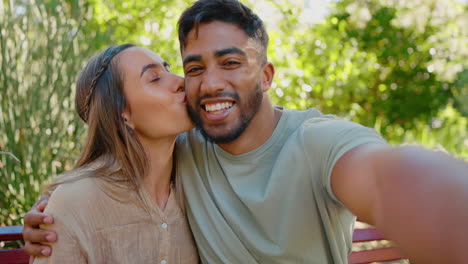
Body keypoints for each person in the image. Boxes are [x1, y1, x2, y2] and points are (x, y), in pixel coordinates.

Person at [23, 0, 468, 263]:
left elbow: (391, 176)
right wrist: (57, 212)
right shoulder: (188, 148)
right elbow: (113, 178)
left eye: (231, 63)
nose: (207, 83)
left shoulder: (315, 141)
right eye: (193, 68)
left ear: (267, 74)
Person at [30, 44, 199, 263]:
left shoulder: (202, 175)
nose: (181, 81)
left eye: (168, 70)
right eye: (155, 78)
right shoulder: (73, 204)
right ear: (122, 114)